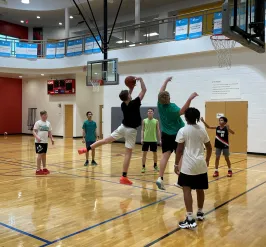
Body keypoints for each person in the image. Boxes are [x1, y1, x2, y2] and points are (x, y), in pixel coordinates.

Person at [78, 77, 147, 185]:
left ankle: (86, 149)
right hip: (131, 130)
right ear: (128, 96)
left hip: (122, 127)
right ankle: (124, 176)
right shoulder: (135, 103)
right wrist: (141, 80)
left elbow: (127, 96)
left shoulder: (123, 104)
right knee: (128, 153)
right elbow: (144, 90)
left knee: (105, 140)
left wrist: (131, 88)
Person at [156, 76, 198, 190]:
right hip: (177, 134)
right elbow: (183, 111)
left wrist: (165, 81)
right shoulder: (172, 107)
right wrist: (189, 99)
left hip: (165, 134)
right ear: (168, 98)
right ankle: (180, 181)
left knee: (165, 156)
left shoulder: (159, 105)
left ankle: (160, 178)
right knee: (181, 156)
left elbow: (161, 91)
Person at [175, 108, 212, 229]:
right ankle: (200, 212)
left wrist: (176, 164)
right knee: (200, 189)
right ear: (197, 117)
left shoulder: (183, 130)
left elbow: (179, 150)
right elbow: (209, 147)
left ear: (185, 117)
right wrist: (207, 160)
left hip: (188, 166)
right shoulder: (202, 130)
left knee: (187, 190)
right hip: (201, 164)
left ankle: (190, 219)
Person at [33, 110, 54, 175]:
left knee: (44, 154)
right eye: (44, 115)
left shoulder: (48, 123)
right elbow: (33, 131)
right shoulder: (38, 123)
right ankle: (38, 169)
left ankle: (44, 168)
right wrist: (37, 137)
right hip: (39, 142)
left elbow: (49, 132)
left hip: (45, 141)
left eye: (46, 115)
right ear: (41, 116)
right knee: (40, 154)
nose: (45, 116)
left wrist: (51, 138)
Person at [141, 108, 161, 173]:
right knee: (144, 154)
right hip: (146, 140)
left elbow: (158, 130)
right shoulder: (144, 120)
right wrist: (142, 138)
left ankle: (155, 166)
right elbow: (142, 130)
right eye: (148, 111)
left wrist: (160, 139)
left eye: (151, 111)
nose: (150, 112)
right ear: (147, 113)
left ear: (153, 113)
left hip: (153, 140)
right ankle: (143, 167)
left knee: (155, 154)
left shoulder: (156, 121)